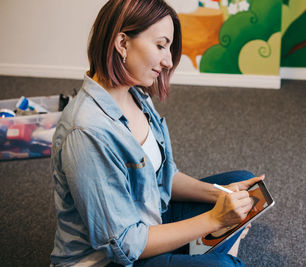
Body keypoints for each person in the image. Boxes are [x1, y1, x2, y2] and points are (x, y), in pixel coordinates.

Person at [50, 0, 264, 266]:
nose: (167, 60)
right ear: (122, 43)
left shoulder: (137, 95)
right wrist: (215, 219)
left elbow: (164, 177)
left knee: (241, 183)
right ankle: (218, 249)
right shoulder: (87, 132)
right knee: (225, 264)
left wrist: (220, 194)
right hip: (115, 259)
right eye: (161, 45)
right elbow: (125, 245)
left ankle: (210, 246)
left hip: (150, 219)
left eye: (169, 48)